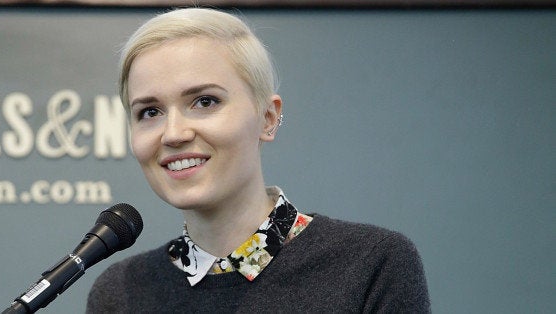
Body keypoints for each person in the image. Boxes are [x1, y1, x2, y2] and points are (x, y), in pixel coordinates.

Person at [86, 7, 430, 313]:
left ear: (267, 117)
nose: (173, 133)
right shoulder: (119, 292)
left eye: (205, 102)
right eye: (150, 111)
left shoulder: (371, 263)